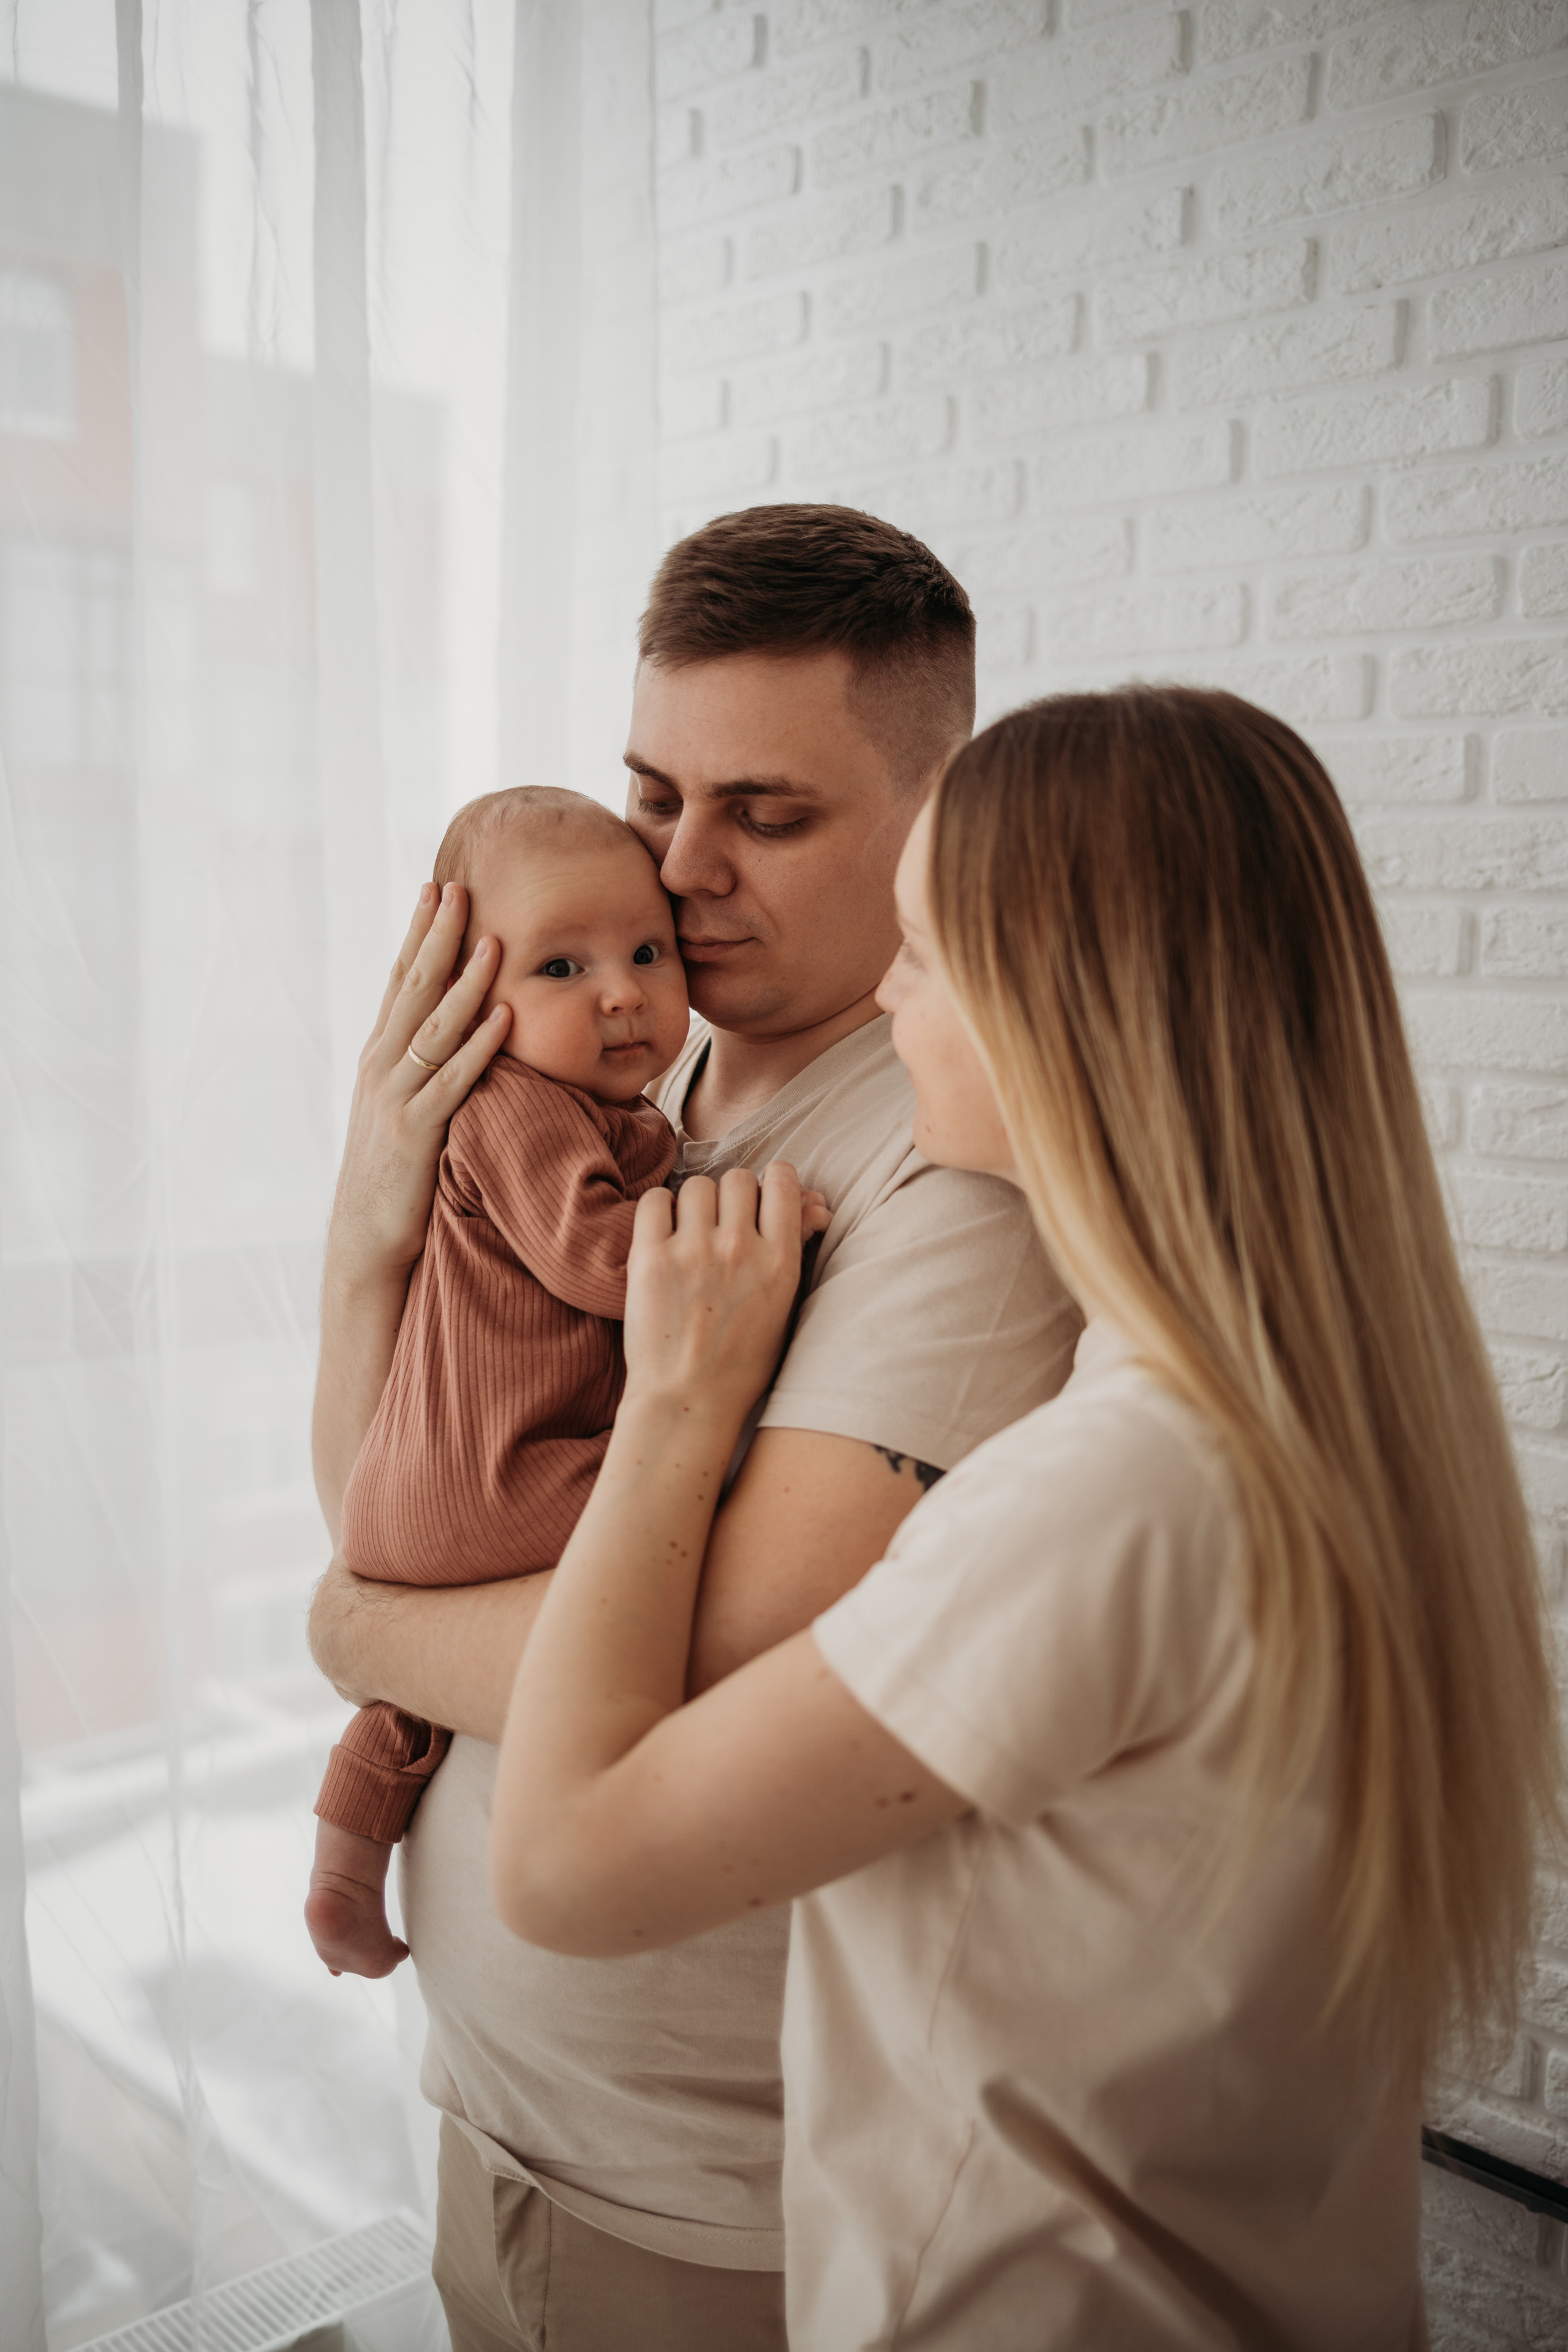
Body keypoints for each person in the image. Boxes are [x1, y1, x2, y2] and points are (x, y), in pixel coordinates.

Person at [485, 686, 1563, 2351]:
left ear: (1056, 1010)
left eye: (920, 957)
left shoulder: (1104, 1502)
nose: (892, 1009)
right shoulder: (1351, 1432)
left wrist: (673, 1413)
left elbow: (564, 1866)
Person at [306, 508, 1082, 2350]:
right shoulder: (625, 1060)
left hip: (718, 2200)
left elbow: (715, 1670)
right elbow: (389, 1479)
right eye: (652, 789)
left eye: (768, 811)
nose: (678, 868)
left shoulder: (946, 1164)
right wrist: (373, 1210)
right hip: (501, 2115)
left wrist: (354, 1635)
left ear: (939, 800)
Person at [303, 787, 693, 1980]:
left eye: (645, 951)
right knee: (679, 1520)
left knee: (405, 1702)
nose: (621, 993)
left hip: (416, 1503)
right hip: (495, 1474)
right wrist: (733, 1236)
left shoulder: (590, 1102)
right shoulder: (518, 1109)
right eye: (562, 967)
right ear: (466, 996)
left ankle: (342, 1872)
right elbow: (598, 1260)